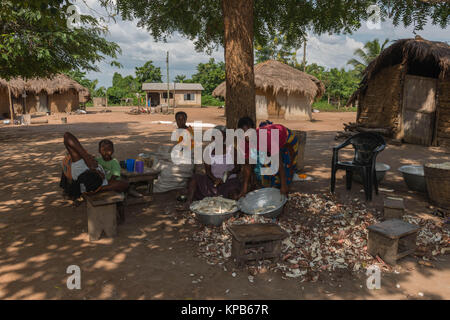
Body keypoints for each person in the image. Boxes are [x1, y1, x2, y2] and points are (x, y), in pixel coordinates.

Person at [236, 117, 298, 198]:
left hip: (287, 138)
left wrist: (283, 186)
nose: (247, 136)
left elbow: (278, 162)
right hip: (274, 142)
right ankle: (278, 186)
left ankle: (286, 187)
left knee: (289, 165)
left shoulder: (266, 138)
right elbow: (247, 166)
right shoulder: (243, 143)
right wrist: (244, 189)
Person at [181, 125, 240, 209]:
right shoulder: (208, 151)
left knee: (233, 194)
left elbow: (238, 167)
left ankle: (229, 207)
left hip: (229, 181)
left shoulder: (231, 150)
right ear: (213, 137)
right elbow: (208, 171)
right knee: (194, 178)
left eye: (222, 135)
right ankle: (188, 202)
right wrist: (214, 179)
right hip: (212, 181)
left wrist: (229, 173)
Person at [60, 132, 128, 200]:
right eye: (100, 175)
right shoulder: (98, 184)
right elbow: (123, 184)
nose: (101, 173)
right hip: (97, 187)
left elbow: (67, 136)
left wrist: (87, 158)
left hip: (87, 182)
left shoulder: (80, 168)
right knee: (124, 184)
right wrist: (99, 189)